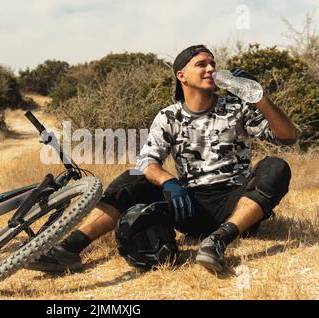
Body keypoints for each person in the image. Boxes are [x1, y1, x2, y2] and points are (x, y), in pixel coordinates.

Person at [26, 44, 297, 274]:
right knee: (132, 177)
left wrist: (258, 96)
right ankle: (68, 249)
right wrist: (169, 182)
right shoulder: (168, 116)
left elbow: (288, 137)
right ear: (182, 75)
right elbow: (148, 161)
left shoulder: (237, 108)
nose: (211, 69)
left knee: (276, 166)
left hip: (237, 204)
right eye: (201, 64)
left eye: (213, 63)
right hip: (190, 207)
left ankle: (220, 239)